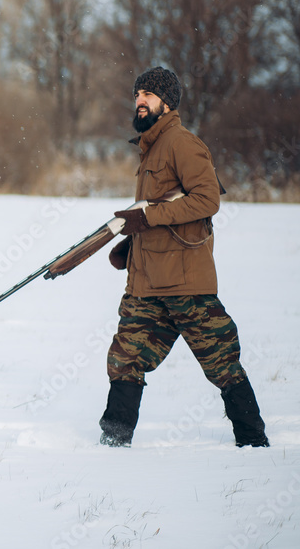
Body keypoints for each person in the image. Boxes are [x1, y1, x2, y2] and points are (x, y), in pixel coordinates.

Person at [99, 66, 269, 448]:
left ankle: (254, 444)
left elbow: (207, 199)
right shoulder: (150, 148)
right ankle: (112, 445)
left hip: (185, 284)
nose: (139, 101)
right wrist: (132, 240)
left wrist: (149, 217)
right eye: (137, 94)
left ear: (167, 102)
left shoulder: (182, 143)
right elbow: (154, 211)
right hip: (146, 284)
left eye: (148, 94)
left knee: (222, 360)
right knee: (125, 359)